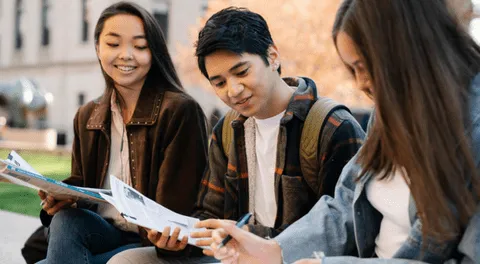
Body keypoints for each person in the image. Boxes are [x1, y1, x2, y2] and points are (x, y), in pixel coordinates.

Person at [208, 0, 480, 263]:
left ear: (404, 49)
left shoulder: (471, 126)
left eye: (364, 66)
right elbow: (345, 204)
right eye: (352, 70)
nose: (361, 82)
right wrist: (276, 250)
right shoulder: (389, 112)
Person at [108, 6, 365, 264]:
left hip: (292, 258)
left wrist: (252, 237)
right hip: (231, 255)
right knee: (127, 261)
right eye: (219, 82)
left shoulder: (332, 126)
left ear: (272, 56)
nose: (234, 90)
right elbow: (209, 212)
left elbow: (343, 231)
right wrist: (179, 238)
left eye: (242, 72)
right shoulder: (228, 130)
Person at [35, 2, 208, 263]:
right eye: (113, 44)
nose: (126, 55)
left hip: (150, 241)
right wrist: (61, 200)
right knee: (67, 220)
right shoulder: (87, 116)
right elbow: (84, 189)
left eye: (140, 46)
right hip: (102, 232)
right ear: (98, 48)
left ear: (155, 52)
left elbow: (178, 209)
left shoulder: (179, 111)